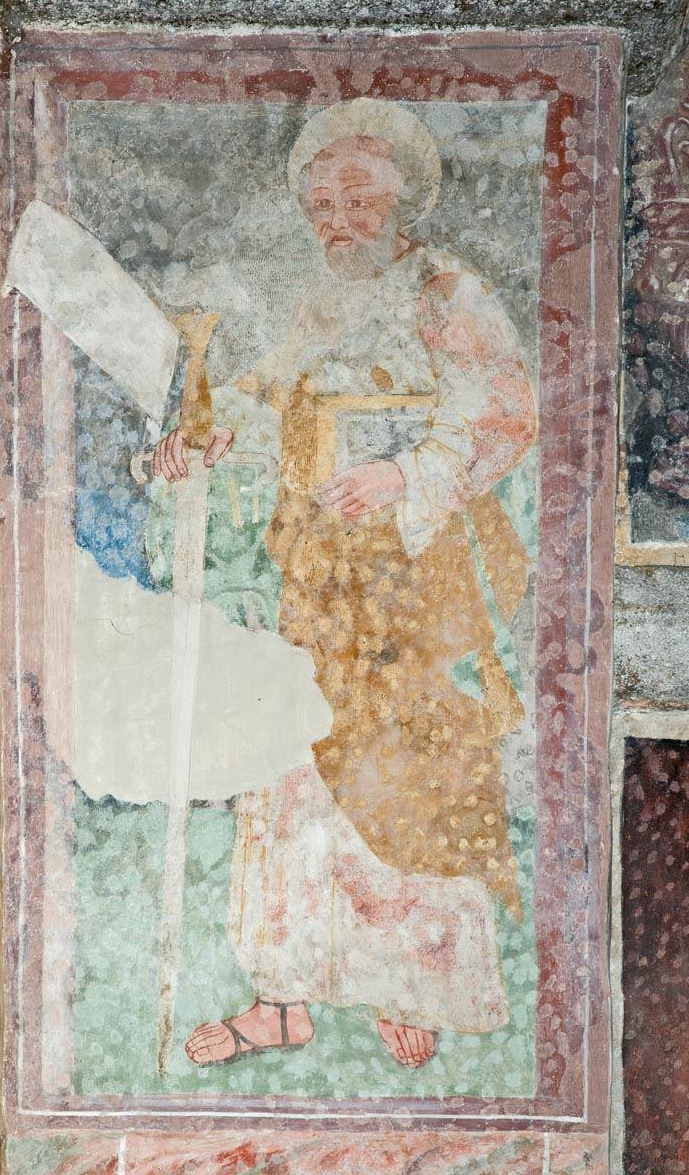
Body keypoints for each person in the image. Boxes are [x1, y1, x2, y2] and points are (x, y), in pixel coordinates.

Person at [152, 98, 537, 1069]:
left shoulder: (445, 289)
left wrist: (401, 475)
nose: (339, 221)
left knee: (410, 771)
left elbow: (504, 409)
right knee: (290, 760)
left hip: (413, 576)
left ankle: (412, 985)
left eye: (359, 199)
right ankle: (282, 995)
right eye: (322, 205)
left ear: (402, 199)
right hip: (319, 569)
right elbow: (269, 392)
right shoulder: (318, 300)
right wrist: (204, 432)